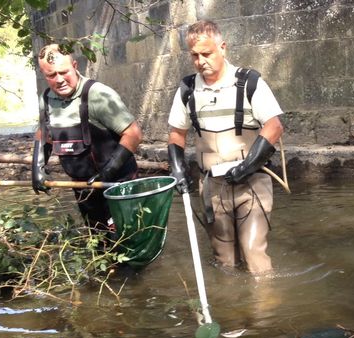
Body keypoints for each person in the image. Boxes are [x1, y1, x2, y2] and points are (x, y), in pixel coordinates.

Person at [167, 20, 284, 275]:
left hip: (251, 182)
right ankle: (232, 308)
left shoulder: (249, 82)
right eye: (194, 56)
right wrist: (177, 169)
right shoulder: (187, 89)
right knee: (225, 260)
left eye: (206, 53)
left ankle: (264, 311)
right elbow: (177, 133)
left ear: (222, 47)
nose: (201, 61)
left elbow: (274, 126)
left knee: (254, 253)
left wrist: (248, 165)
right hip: (212, 186)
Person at [32, 44, 142, 230]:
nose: (59, 80)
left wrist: (107, 172)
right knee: (98, 242)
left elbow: (133, 134)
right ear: (44, 75)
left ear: (75, 66)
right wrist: (37, 167)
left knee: (126, 240)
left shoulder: (98, 94)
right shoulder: (46, 99)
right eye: (51, 75)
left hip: (116, 182)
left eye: (64, 72)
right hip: (83, 185)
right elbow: (43, 133)